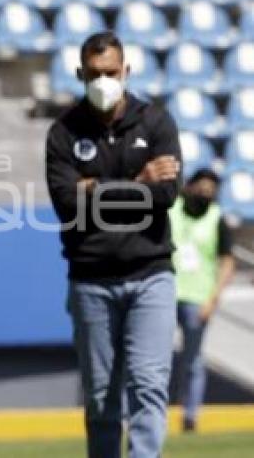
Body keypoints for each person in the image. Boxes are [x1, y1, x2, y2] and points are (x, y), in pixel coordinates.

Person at [45, 31, 181, 458]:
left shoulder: (156, 123)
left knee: (148, 388)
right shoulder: (63, 133)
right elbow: (68, 203)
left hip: (150, 276)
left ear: (126, 72)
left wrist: (96, 191)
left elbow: (166, 195)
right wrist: (138, 183)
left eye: (111, 73)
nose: (103, 81)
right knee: (102, 400)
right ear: (80, 74)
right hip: (91, 281)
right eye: (94, 74)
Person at [170, 168, 235, 433]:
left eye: (211, 190)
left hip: (198, 297)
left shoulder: (217, 218)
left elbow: (227, 261)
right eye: (202, 187)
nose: (205, 193)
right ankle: (151, 411)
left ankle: (190, 415)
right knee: (154, 357)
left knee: (193, 359)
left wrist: (214, 298)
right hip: (164, 293)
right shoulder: (171, 209)